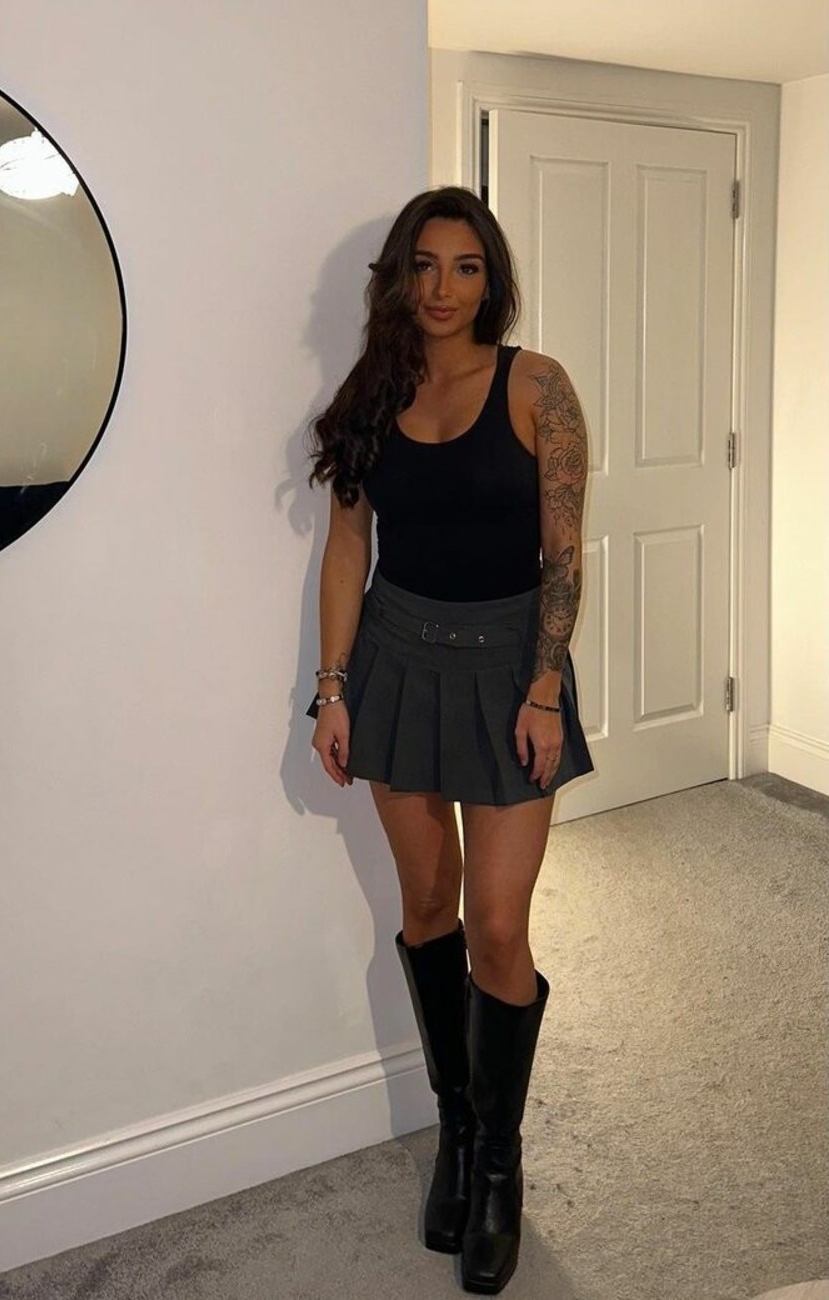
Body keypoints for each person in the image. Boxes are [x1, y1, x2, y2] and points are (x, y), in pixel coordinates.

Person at [306, 186, 594, 1295]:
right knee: (429, 906)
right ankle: (459, 1134)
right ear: (399, 276)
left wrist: (544, 687)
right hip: (396, 662)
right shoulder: (372, 393)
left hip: (510, 669)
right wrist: (333, 688)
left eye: (466, 267)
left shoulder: (536, 386)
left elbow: (563, 554)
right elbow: (348, 547)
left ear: (492, 280)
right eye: (424, 265)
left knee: (499, 928)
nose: (443, 288)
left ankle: (503, 1164)